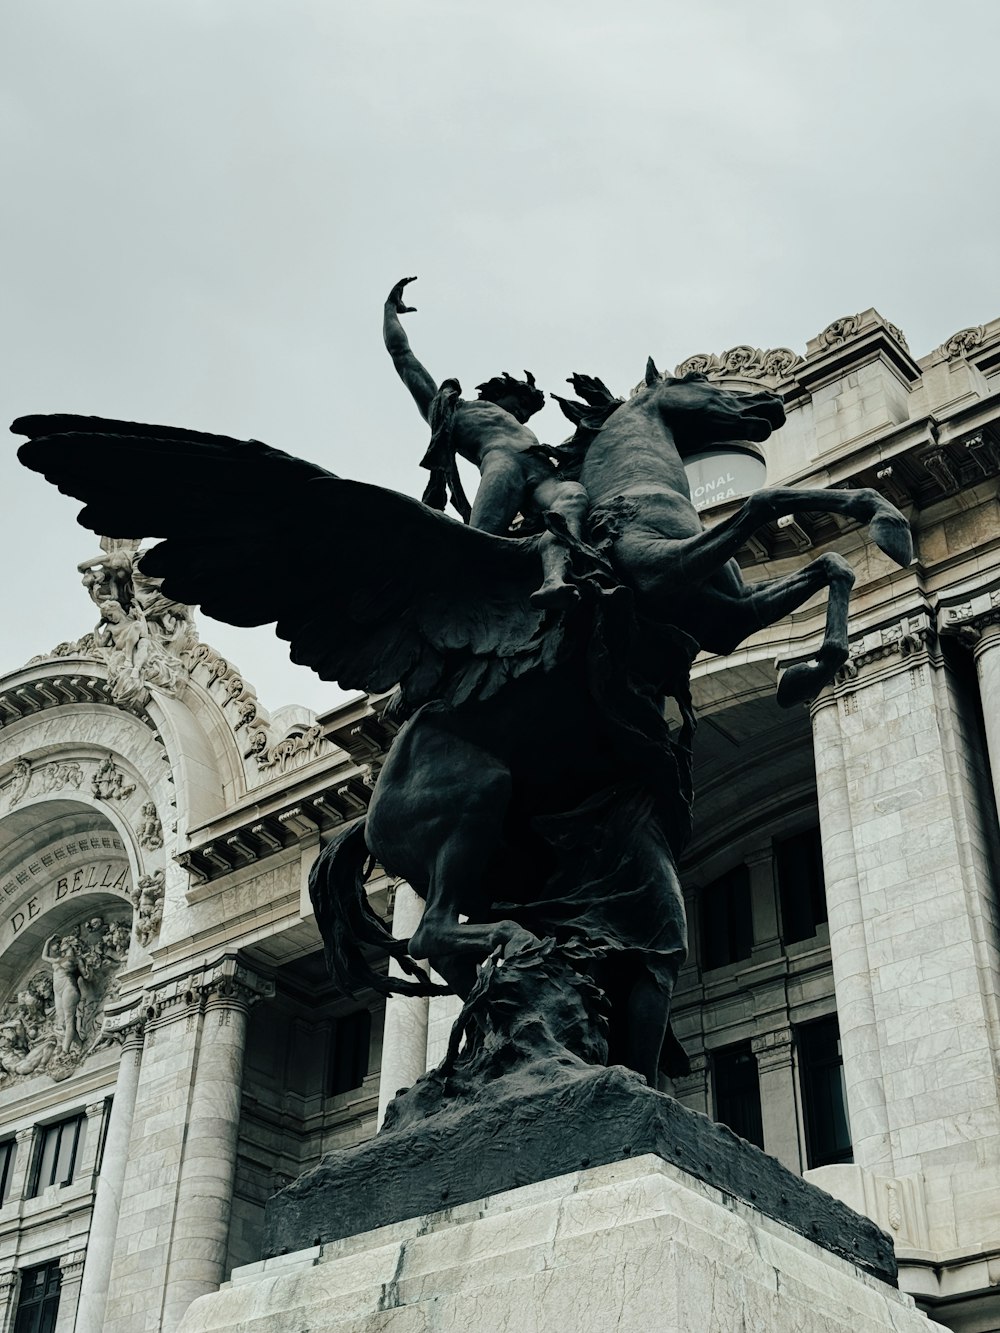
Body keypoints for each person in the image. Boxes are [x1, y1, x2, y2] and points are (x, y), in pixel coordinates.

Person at [383, 276, 589, 608]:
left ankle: (557, 579)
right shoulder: (455, 410)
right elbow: (403, 357)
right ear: (500, 392)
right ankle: (451, 611)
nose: (522, 415)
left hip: (541, 470)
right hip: (501, 465)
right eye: (520, 405)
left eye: (527, 412)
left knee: (574, 498)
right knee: (478, 544)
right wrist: (390, 310)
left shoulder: (521, 429)